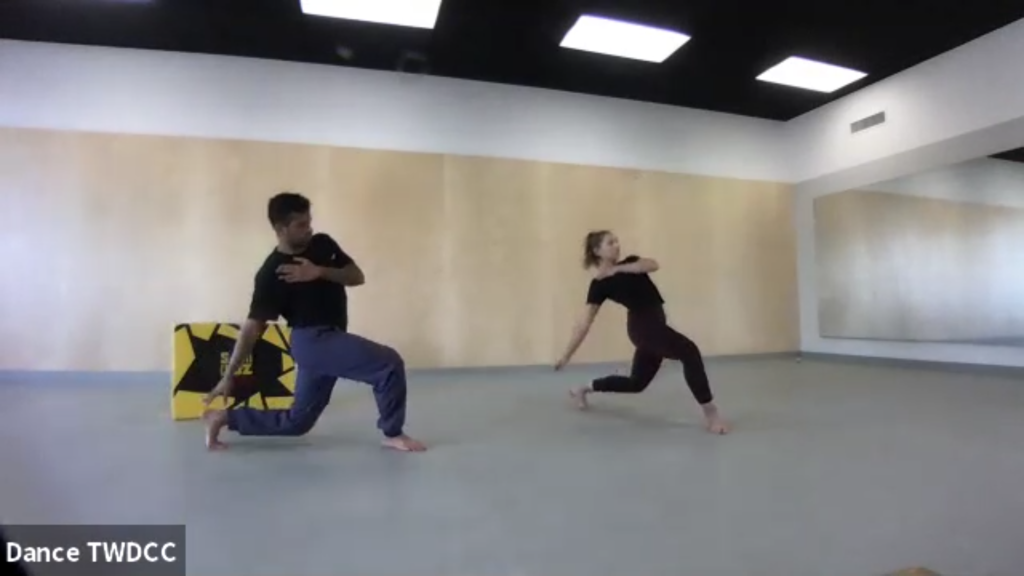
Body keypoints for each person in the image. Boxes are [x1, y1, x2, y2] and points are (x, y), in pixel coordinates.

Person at [201, 192, 427, 452]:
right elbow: (253, 328)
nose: (308, 229)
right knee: (388, 364)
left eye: (309, 222)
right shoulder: (271, 273)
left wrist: (319, 271)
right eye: (301, 225)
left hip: (328, 341)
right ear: (280, 229)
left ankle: (223, 417)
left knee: (297, 422)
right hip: (312, 341)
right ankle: (393, 433)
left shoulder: (323, 244)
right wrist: (229, 375)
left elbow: (356, 276)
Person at [554, 230, 730, 435]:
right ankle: (711, 414)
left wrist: (618, 269)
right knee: (689, 352)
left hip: (653, 326)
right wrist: (566, 356)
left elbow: (652, 264)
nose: (617, 245)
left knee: (636, 383)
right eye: (610, 243)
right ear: (597, 251)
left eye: (617, 241)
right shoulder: (599, 284)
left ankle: (584, 388)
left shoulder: (631, 263)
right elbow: (584, 323)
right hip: (643, 327)